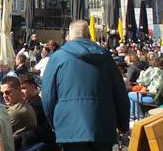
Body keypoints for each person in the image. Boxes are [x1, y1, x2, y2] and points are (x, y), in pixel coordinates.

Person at [42, 20, 129, 151]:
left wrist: (54, 123)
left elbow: (48, 96)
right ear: (89, 36)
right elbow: (120, 92)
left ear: (69, 37)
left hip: (69, 126)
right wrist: (123, 124)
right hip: (103, 124)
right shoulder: (105, 56)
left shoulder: (58, 57)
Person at [19, 74, 57, 151]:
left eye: (24, 88)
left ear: (33, 87)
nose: (21, 91)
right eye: (20, 89)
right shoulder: (32, 102)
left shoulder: (35, 105)